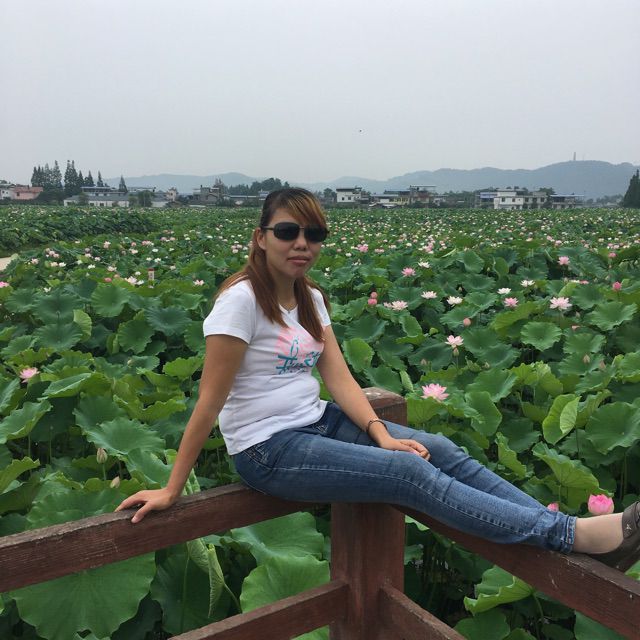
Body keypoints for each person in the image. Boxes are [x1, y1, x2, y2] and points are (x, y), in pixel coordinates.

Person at [116, 187, 640, 571]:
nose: (302, 243)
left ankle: (565, 533)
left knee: (440, 449)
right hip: (266, 449)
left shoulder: (310, 297)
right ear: (261, 237)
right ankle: (573, 534)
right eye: (288, 232)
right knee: (408, 474)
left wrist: (380, 432)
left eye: (314, 234)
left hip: (317, 422)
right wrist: (173, 487)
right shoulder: (240, 303)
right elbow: (209, 403)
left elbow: (339, 377)